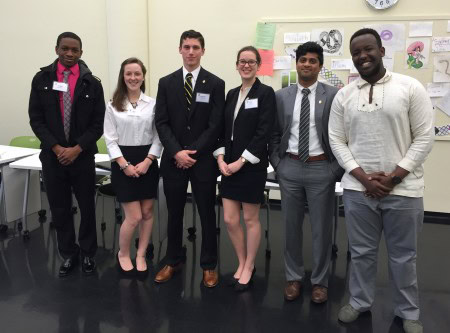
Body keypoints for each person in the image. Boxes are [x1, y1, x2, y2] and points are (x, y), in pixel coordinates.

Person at [329, 28, 434, 333]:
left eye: (368, 50)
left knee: (404, 256)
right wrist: (363, 178)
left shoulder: (410, 87)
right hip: (357, 191)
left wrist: (394, 177)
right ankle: (359, 301)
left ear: (381, 50)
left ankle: (408, 311)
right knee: (361, 253)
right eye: (356, 52)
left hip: (405, 190)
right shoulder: (344, 95)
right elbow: (337, 140)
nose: (363, 56)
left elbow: (425, 137)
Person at [269, 42, 343, 303]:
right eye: (303, 60)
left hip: (322, 168)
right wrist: (277, 163)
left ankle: (320, 282)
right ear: (296, 63)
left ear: (320, 66)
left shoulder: (334, 95)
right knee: (290, 227)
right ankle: (293, 277)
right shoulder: (282, 96)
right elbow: (275, 132)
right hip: (289, 167)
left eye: (313, 60)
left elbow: (341, 134)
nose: (307, 64)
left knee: (321, 229)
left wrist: (334, 169)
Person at [29, 32, 105, 277]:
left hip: (82, 157)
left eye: (75, 50)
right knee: (60, 209)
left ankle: (88, 254)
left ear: (81, 52)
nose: (69, 53)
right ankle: (68, 254)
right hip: (53, 157)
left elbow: (98, 123)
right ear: (57, 49)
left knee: (87, 208)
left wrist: (77, 148)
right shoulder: (41, 79)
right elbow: (36, 119)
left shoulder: (92, 83)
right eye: (65, 48)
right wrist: (56, 147)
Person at [154, 30, 225, 287]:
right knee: (174, 213)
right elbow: (161, 122)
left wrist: (192, 152)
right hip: (174, 160)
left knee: (207, 214)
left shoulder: (216, 83)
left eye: (196, 47)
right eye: (187, 47)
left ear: (203, 51)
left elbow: (216, 125)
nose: (191, 51)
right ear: (180, 50)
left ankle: (208, 265)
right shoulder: (166, 82)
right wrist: (177, 152)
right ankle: (173, 260)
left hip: (202, 161)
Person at [214, 46, 275, 292]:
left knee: (250, 219)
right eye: (242, 61)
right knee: (229, 219)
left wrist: (241, 161)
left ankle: (249, 265)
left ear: (258, 65)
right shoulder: (231, 94)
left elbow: (264, 133)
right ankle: (241, 261)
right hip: (228, 166)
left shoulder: (266, 93)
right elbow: (222, 130)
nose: (246, 65)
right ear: (236, 65)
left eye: (251, 61)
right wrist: (220, 160)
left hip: (250, 167)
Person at [104, 57, 163, 278]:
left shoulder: (153, 103)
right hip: (123, 162)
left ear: (143, 76)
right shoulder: (112, 105)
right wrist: (124, 165)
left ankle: (140, 254)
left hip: (147, 160)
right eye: (128, 73)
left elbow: (159, 135)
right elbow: (110, 139)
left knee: (147, 213)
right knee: (134, 216)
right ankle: (123, 253)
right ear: (123, 76)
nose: (133, 78)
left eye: (137, 73)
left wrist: (148, 161)